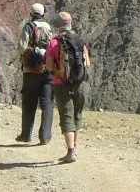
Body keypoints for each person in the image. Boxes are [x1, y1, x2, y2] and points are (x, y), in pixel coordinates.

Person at [44, 10, 90, 164]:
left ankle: (70, 151)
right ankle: (74, 147)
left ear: (57, 26)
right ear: (70, 24)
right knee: (77, 115)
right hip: (80, 83)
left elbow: (49, 66)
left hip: (61, 84)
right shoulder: (79, 40)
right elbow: (87, 63)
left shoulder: (54, 43)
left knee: (66, 116)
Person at [15, 2, 54, 145]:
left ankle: (26, 135)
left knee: (29, 102)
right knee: (47, 103)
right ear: (43, 14)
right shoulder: (49, 28)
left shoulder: (28, 27)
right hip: (47, 70)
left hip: (30, 71)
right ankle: (45, 136)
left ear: (31, 14)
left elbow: (21, 47)